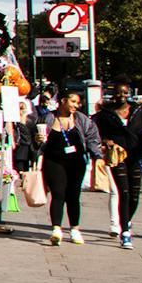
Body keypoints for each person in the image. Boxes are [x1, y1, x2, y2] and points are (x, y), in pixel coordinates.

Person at [39, 87, 103, 245]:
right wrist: (38, 139)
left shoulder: (82, 120)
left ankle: (75, 229)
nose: (76, 105)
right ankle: (56, 230)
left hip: (76, 163)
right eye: (73, 102)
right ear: (63, 101)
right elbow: (37, 139)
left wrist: (98, 157)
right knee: (58, 194)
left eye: (78, 103)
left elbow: (93, 138)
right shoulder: (47, 118)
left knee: (73, 196)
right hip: (53, 162)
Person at [92, 92, 142, 248]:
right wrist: (105, 140)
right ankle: (125, 233)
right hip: (117, 156)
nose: (121, 95)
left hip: (135, 157)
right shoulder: (105, 115)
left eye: (124, 92)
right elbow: (95, 132)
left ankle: (126, 219)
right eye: (118, 91)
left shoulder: (138, 112)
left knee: (135, 195)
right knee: (124, 192)